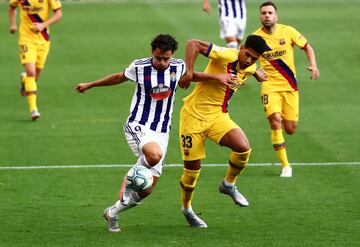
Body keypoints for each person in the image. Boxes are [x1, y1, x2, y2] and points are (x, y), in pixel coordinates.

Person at [76, 34, 233, 233]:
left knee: (146, 189)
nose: (162, 62)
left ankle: (112, 213)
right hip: (138, 125)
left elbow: (193, 76)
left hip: (162, 132)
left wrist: (217, 77)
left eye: (166, 58)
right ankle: (130, 177)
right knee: (153, 156)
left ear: (172, 55)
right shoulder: (140, 67)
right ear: (153, 52)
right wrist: (91, 84)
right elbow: (118, 77)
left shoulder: (178, 66)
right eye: (158, 57)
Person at [178, 35, 267, 228]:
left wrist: (256, 74)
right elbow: (193, 43)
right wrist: (189, 71)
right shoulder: (226, 55)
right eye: (248, 55)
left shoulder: (250, 66)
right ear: (241, 48)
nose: (249, 61)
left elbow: (250, 69)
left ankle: (228, 185)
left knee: (243, 148)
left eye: (254, 59)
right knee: (192, 171)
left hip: (218, 116)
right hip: (193, 116)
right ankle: (187, 208)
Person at [253, 1, 320, 177]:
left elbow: (307, 47)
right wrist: (253, 71)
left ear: (276, 16)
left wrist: (313, 65)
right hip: (269, 86)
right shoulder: (256, 38)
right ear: (260, 17)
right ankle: (286, 166)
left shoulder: (288, 31)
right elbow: (244, 58)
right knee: (275, 120)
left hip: (290, 86)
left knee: (290, 128)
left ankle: (281, 122)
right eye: (264, 13)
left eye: (270, 13)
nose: (267, 15)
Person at [9, 0, 63, 121]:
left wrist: (43, 25)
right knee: (31, 72)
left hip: (43, 39)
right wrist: (13, 24)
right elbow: (12, 7)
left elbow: (59, 14)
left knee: (35, 76)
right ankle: (33, 109)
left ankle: (24, 80)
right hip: (26, 39)